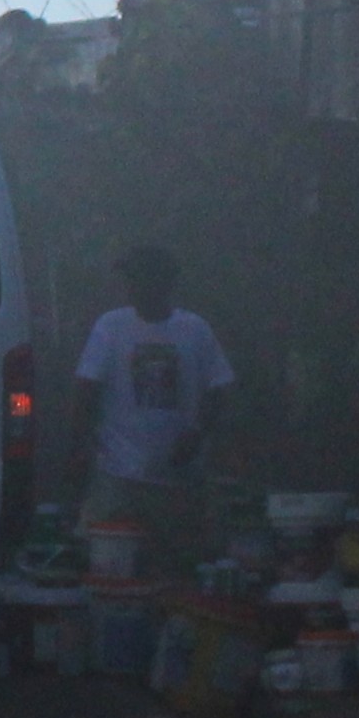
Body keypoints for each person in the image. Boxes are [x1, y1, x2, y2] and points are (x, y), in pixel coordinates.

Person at [51, 245, 234, 583]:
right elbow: (85, 389)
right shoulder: (111, 326)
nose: (131, 287)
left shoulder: (195, 330)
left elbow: (220, 388)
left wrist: (197, 433)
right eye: (129, 280)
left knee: (175, 575)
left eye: (138, 279)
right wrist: (78, 449)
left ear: (163, 283)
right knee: (109, 572)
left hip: (177, 481)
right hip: (118, 476)